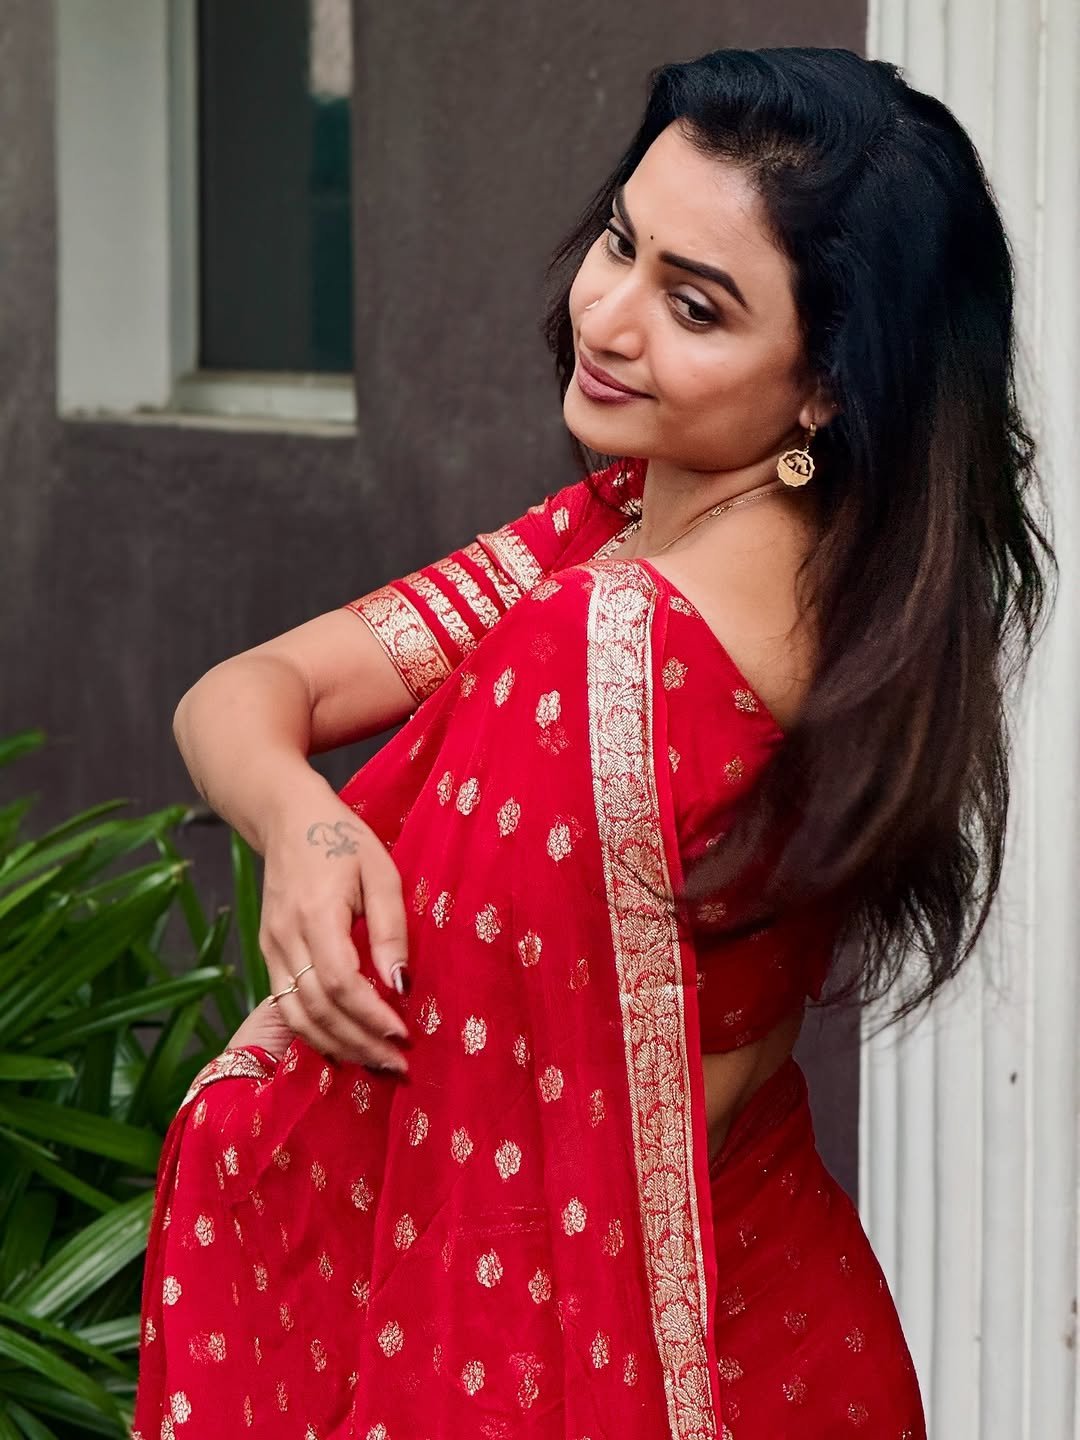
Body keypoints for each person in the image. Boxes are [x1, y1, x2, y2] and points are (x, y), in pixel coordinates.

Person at [133, 45, 1054, 1440]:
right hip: (791, 1332)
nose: (607, 318)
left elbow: (485, 1176)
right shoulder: (750, 548)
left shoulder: (608, 644)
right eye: (622, 241)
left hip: (602, 1374)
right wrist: (301, 823)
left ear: (824, 386)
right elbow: (247, 691)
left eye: (695, 305)